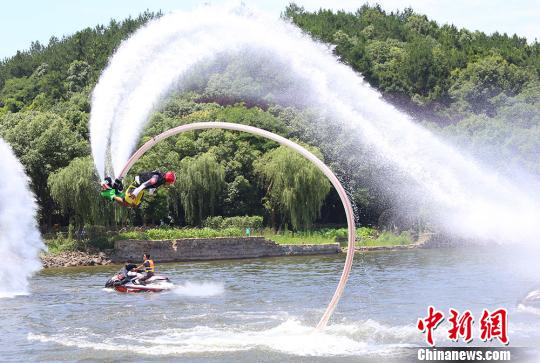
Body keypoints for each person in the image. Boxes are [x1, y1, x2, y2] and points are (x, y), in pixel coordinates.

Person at [100, 170, 176, 208]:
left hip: (141, 190)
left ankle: (119, 194)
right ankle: (111, 194)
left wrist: (151, 192)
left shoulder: (161, 180)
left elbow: (152, 186)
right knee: (126, 203)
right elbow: (144, 185)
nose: (169, 184)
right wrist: (135, 192)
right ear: (168, 180)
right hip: (136, 187)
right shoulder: (156, 179)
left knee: (134, 205)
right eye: (170, 183)